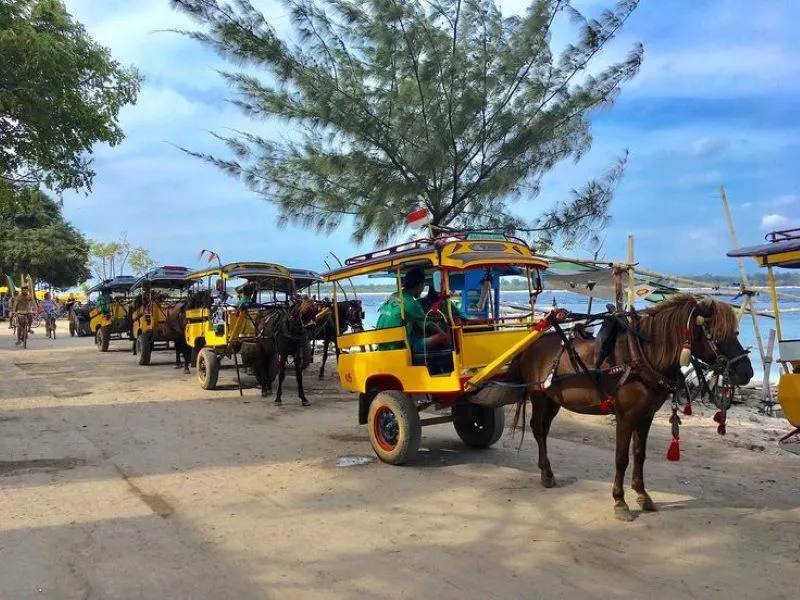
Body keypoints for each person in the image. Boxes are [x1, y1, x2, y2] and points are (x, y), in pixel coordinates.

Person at [375, 267, 450, 352]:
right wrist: (441, 318)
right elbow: (427, 321)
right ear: (420, 285)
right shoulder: (411, 303)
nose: (422, 290)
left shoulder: (395, 295)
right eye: (423, 286)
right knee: (443, 337)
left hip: (381, 343)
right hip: (395, 347)